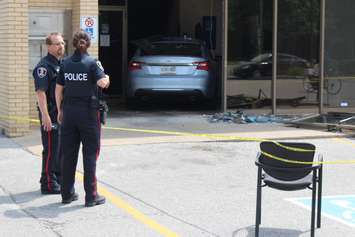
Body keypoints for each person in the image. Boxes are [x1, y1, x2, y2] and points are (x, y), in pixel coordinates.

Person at [55, 30, 110, 207]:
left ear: (73, 43)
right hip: (88, 114)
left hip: (69, 113)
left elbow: (58, 89)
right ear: (88, 44)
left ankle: (67, 194)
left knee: (68, 154)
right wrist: (107, 77)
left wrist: (59, 110)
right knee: (90, 155)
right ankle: (91, 196)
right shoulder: (93, 63)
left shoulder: (65, 63)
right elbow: (103, 83)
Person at [32, 32, 65, 194]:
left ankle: (53, 178)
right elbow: (40, 92)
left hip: (60, 114)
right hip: (50, 113)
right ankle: (48, 184)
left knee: (59, 148)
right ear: (49, 46)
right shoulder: (44, 67)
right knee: (51, 148)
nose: (61, 46)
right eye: (57, 43)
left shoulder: (62, 63)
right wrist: (45, 115)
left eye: (62, 43)